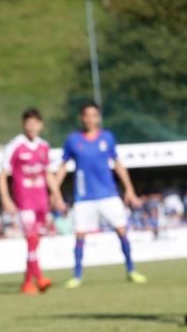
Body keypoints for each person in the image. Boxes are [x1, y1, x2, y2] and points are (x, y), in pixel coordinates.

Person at [54, 102, 146, 288]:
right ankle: (77, 276)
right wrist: (55, 192)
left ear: (98, 117)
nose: (90, 119)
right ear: (81, 117)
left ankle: (131, 270)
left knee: (122, 230)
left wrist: (129, 188)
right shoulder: (73, 140)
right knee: (80, 235)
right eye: (86, 115)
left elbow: (117, 163)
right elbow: (63, 167)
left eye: (93, 115)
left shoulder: (107, 138)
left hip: (108, 194)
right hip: (83, 197)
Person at [0, 108, 64, 293]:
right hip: (24, 200)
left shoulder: (44, 146)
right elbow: (2, 175)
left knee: (35, 243)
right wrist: (6, 199)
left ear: (41, 125)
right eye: (29, 122)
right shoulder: (14, 146)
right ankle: (40, 278)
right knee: (31, 238)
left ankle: (27, 283)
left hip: (41, 200)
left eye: (36, 122)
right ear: (23, 124)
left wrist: (57, 196)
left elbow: (48, 173)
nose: (32, 126)